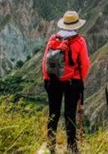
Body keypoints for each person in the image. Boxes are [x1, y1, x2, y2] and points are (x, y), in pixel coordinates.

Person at [42, 10, 90, 153]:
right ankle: (72, 147)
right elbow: (85, 64)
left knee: (53, 113)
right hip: (72, 82)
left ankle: (51, 145)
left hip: (53, 81)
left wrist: (47, 79)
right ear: (76, 25)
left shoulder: (53, 39)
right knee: (70, 114)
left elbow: (45, 60)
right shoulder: (79, 41)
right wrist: (80, 81)